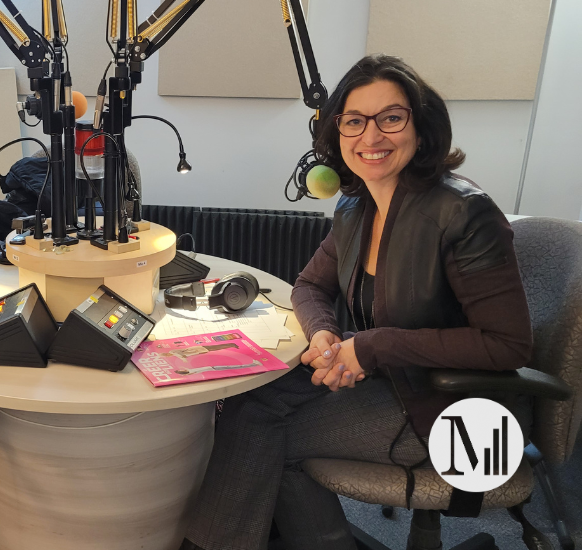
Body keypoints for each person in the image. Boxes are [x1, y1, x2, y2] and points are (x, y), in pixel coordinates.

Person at [181, 54, 532, 550]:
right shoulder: (357, 204)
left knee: (260, 439)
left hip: (460, 413)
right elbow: (308, 287)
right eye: (354, 121)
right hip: (393, 383)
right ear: (336, 133)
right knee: (246, 399)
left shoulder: (464, 213)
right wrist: (325, 333)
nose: (371, 137)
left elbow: (508, 346)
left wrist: (371, 348)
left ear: (421, 125)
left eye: (391, 117)